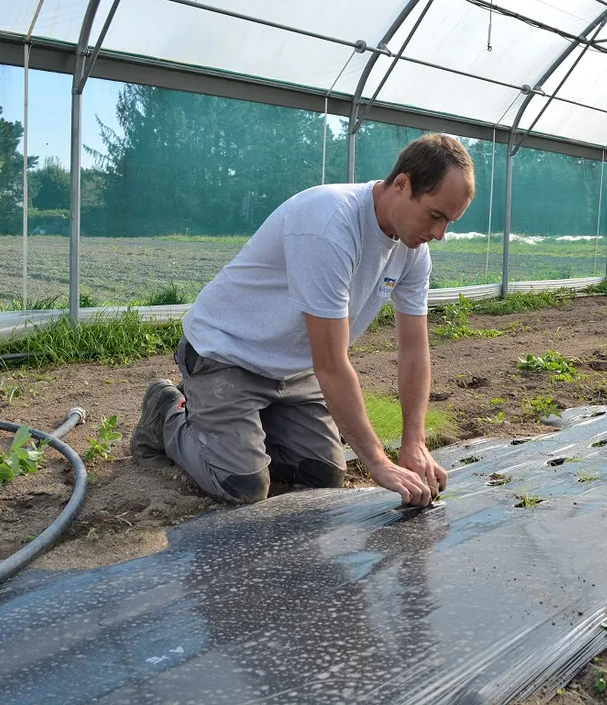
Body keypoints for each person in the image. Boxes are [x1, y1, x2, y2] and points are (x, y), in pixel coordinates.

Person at [130, 134, 475, 507]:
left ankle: (245, 426)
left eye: (449, 221)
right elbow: (331, 365)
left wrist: (415, 442)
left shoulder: (413, 251)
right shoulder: (330, 225)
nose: (439, 234)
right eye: (435, 215)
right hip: (226, 354)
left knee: (321, 475)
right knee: (242, 485)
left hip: (291, 371)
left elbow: (414, 351)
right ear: (403, 184)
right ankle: (166, 410)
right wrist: (378, 462)